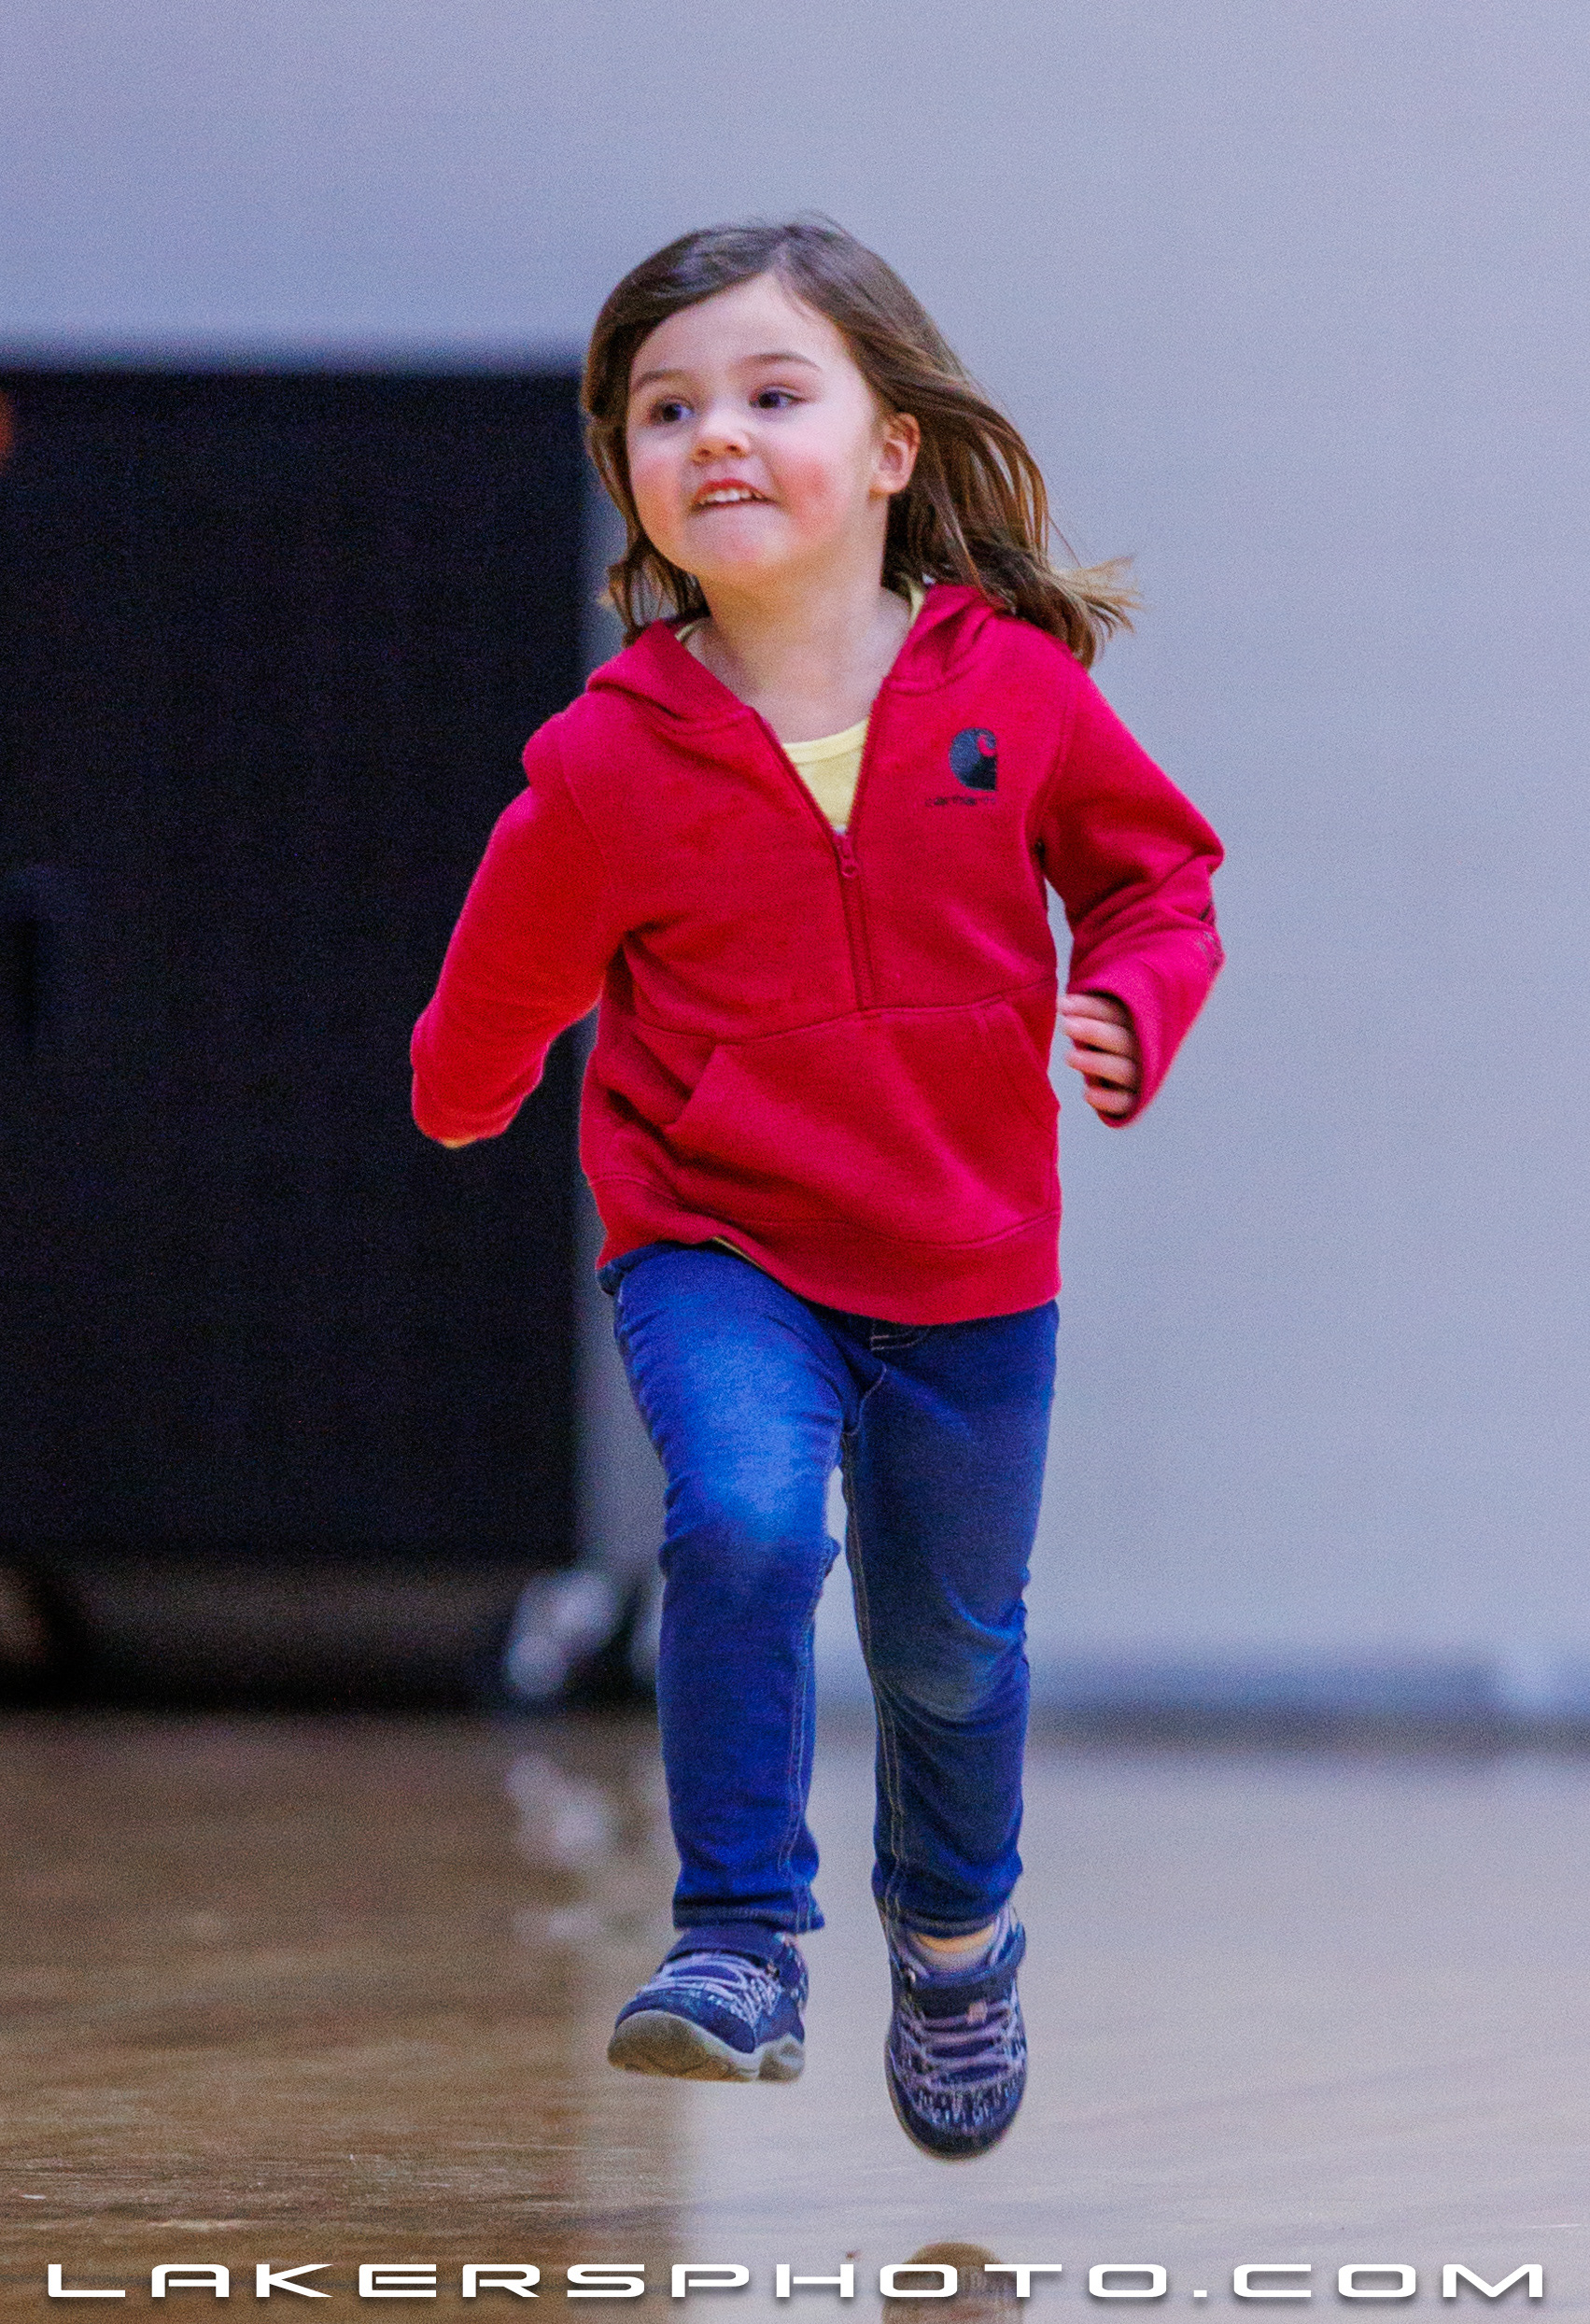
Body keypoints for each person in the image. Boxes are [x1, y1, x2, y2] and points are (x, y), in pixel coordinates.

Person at [411, 218, 1223, 2160]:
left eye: (773, 394)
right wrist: (466, 1087)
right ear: (628, 472)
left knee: (949, 1651)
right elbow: (492, 1008)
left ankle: (953, 1943)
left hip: (965, 1254)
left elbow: (1157, 883)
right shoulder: (605, 764)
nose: (716, 435)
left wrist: (1134, 1005)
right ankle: (740, 1943)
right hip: (720, 1243)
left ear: (889, 449)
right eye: (665, 410)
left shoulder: (1012, 693)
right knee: (751, 1524)